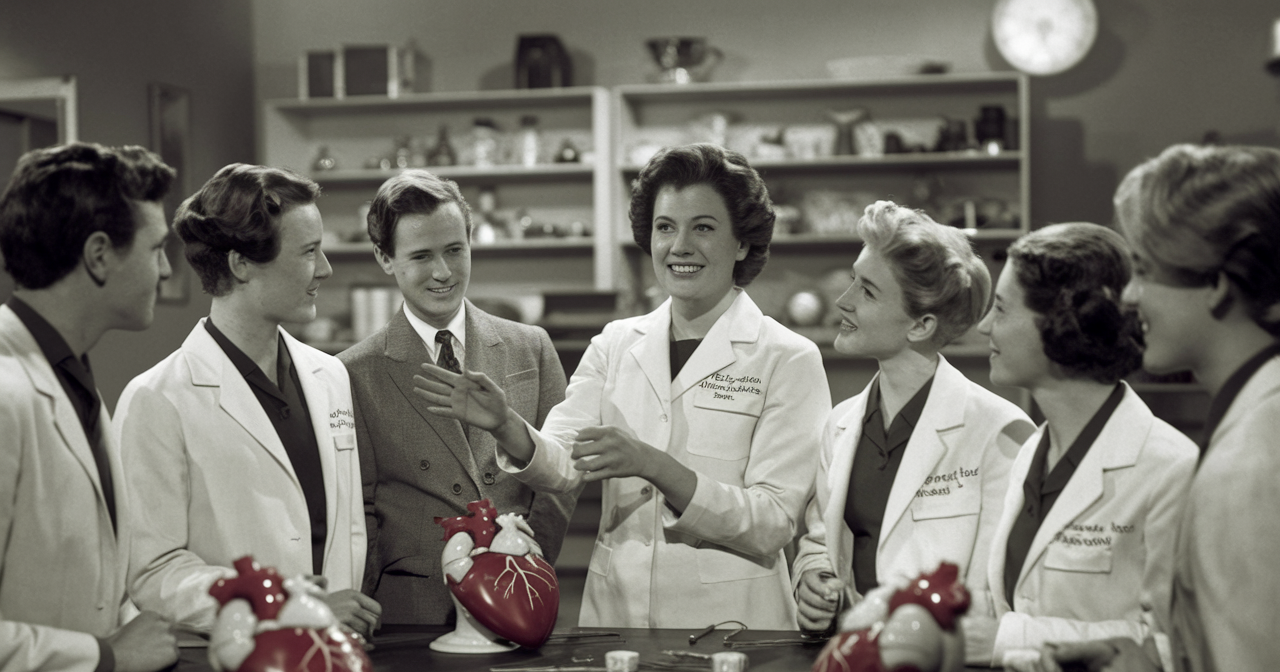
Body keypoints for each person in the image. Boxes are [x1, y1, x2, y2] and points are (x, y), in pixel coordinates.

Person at [417, 144, 830, 628]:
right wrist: (508, 426)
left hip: (733, 625)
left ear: (741, 243)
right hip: (617, 615)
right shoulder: (616, 343)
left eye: (703, 227)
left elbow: (772, 522)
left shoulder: (787, 357)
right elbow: (565, 463)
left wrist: (653, 465)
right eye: (665, 227)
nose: (679, 246)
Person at [1050, 144, 1280, 672]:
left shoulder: (1254, 460)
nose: (1128, 296)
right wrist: (1155, 660)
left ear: (1218, 286)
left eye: (1146, 269)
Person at [114, 164, 379, 638]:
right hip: (226, 665)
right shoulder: (156, 399)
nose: (325, 269)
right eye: (309, 252)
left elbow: (348, 531)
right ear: (241, 265)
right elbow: (154, 572)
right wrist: (286, 608)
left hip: (335, 653)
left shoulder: (331, 375)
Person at [339, 170, 575, 625]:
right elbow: (359, 508)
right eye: (421, 256)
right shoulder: (353, 371)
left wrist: (530, 558)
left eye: (454, 250)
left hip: (519, 592)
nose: (443, 272)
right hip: (413, 611)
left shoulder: (532, 347)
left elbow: (560, 477)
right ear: (384, 258)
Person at [961, 223, 1197, 672]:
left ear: (1062, 326)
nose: (985, 325)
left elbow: (1174, 644)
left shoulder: (1170, 468)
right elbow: (1019, 600)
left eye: (1003, 309)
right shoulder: (1031, 452)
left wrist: (1009, 639)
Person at [792, 200, 1034, 633]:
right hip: (855, 659)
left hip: (946, 667)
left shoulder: (1000, 432)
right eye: (852, 281)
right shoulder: (841, 424)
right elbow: (821, 541)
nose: (843, 302)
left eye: (866, 291)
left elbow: (1000, 590)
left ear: (920, 325)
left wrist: (895, 620)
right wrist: (814, 579)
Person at [0, 143, 179, 672]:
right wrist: (106, 655)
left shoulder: (69, 381)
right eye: (156, 249)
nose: (168, 270)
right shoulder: (6, 393)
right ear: (99, 255)